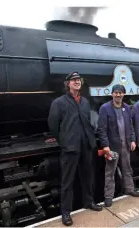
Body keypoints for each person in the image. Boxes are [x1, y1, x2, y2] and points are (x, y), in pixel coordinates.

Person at [48, 72, 102, 226]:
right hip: (70, 147)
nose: (77, 82)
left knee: (88, 177)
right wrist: (63, 141)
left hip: (86, 145)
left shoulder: (84, 102)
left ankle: (89, 202)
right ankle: (66, 213)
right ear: (68, 84)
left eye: (78, 80)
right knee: (67, 182)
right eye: (74, 80)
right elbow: (53, 125)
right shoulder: (59, 102)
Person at [97, 84, 139, 207]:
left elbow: (131, 126)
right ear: (112, 94)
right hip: (112, 147)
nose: (118, 94)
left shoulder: (127, 108)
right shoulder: (105, 108)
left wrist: (132, 140)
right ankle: (108, 196)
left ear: (123, 94)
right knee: (110, 172)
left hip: (126, 145)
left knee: (127, 169)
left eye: (120, 92)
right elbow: (102, 129)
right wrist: (105, 146)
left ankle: (129, 189)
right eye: (116, 92)